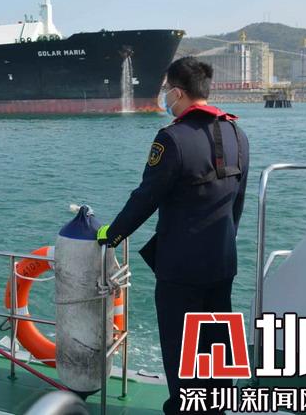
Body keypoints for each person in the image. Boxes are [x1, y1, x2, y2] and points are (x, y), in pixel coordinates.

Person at [96, 56, 250, 414]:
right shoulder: (237, 135)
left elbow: (146, 197)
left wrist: (112, 235)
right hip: (222, 263)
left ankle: (183, 408)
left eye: (167, 90)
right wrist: (223, 244)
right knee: (216, 344)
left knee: (182, 348)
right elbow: (237, 203)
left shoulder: (172, 139)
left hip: (181, 269)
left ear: (178, 92)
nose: (165, 96)